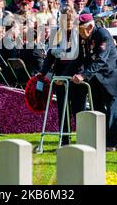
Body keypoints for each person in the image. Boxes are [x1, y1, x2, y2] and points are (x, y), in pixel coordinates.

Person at [71, 14, 117, 151]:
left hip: (112, 78)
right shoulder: (83, 37)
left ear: (90, 27)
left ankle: (113, 142)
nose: (79, 33)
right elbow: (78, 58)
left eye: (80, 30)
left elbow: (101, 60)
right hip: (96, 79)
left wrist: (83, 75)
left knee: (112, 112)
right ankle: (102, 140)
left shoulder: (103, 34)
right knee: (97, 110)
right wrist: (65, 75)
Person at [39, 8, 82, 146]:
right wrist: (43, 73)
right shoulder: (56, 34)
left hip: (76, 75)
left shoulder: (79, 34)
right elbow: (50, 57)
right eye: (64, 20)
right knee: (62, 109)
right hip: (60, 78)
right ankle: (64, 140)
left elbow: (79, 57)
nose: (67, 23)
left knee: (78, 109)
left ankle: (82, 139)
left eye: (69, 20)